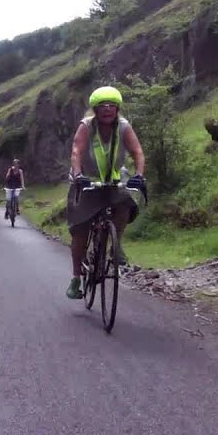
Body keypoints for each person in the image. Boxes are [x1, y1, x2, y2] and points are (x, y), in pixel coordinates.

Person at [65, 86, 146, 300]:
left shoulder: (124, 127)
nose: (107, 109)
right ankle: (75, 279)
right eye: (102, 106)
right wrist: (78, 175)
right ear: (95, 109)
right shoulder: (86, 126)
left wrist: (139, 174)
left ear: (118, 108)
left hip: (113, 181)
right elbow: (76, 151)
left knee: (125, 204)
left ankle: (115, 246)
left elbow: (137, 152)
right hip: (87, 181)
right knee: (80, 229)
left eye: (112, 105)